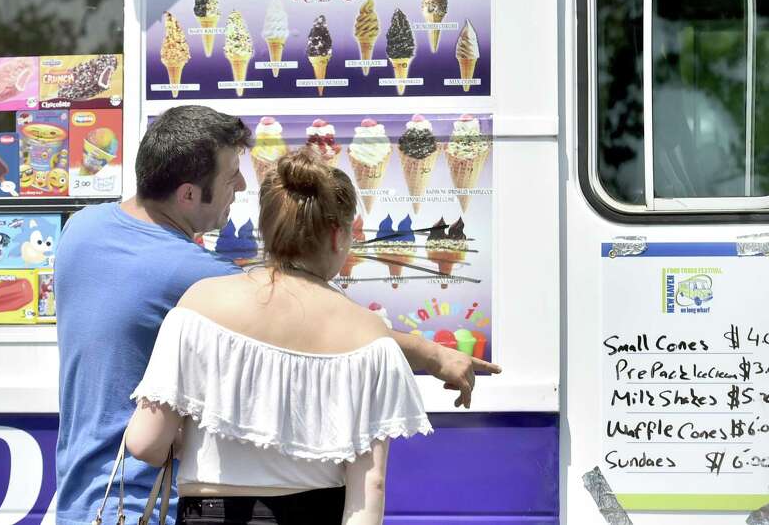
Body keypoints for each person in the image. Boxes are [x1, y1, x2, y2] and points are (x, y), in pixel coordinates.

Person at [55, 105, 500, 525]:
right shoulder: (200, 281)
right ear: (188, 193)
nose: (241, 188)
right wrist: (430, 352)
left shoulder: (81, 229)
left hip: (83, 497)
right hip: (146, 503)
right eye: (232, 177)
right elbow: (308, 318)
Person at [125, 149, 433, 525]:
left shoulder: (200, 303)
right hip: (316, 512)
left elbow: (144, 443)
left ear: (267, 227)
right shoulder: (368, 335)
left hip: (210, 514)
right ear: (338, 235)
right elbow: (371, 485)